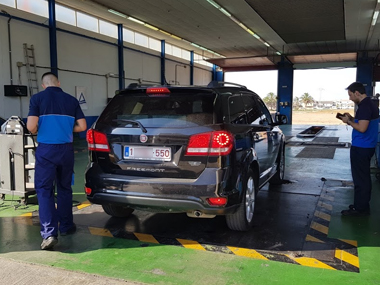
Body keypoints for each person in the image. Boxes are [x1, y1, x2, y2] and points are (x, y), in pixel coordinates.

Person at [27, 72, 87, 250]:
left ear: (43, 85)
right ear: (58, 83)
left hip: (47, 150)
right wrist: (67, 128)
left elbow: (31, 126)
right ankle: (67, 226)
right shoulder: (71, 100)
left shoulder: (37, 99)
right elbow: (82, 126)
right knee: (64, 187)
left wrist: (40, 129)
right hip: (66, 149)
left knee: (44, 190)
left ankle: (49, 233)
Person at [340, 82, 379, 216]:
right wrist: (352, 118)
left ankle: (361, 209)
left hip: (362, 147)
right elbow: (362, 122)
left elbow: (362, 128)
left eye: (350, 95)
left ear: (357, 93)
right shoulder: (368, 105)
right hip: (366, 146)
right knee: (362, 178)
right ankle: (361, 205)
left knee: (360, 179)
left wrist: (349, 122)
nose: (350, 98)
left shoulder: (365, 107)